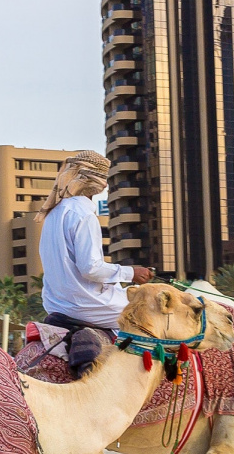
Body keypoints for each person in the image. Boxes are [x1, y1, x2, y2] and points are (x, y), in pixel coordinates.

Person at [37, 149, 154, 377]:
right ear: (99, 183)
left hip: (55, 303)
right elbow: (90, 268)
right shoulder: (84, 215)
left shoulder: (54, 213)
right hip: (84, 304)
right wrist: (131, 273)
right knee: (148, 313)